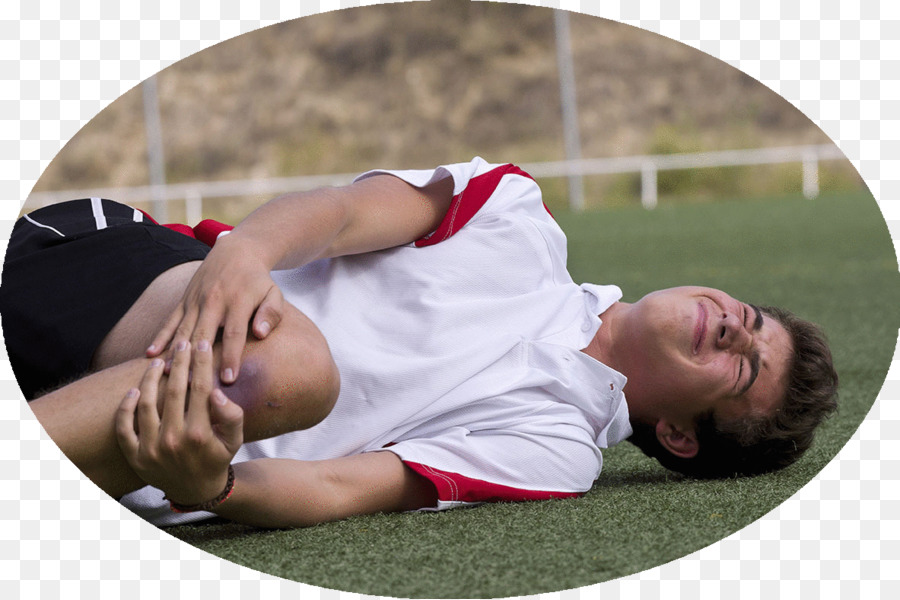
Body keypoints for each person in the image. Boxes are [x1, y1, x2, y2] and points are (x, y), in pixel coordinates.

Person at [1, 158, 838, 528]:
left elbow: (337, 487)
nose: (737, 327)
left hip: (140, 450)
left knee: (268, 382)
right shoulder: (514, 215)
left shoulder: (555, 453)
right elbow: (338, 214)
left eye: (743, 370)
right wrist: (247, 253)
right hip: (120, 279)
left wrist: (214, 485)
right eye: (753, 319)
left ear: (683, 435)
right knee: (288, 367)